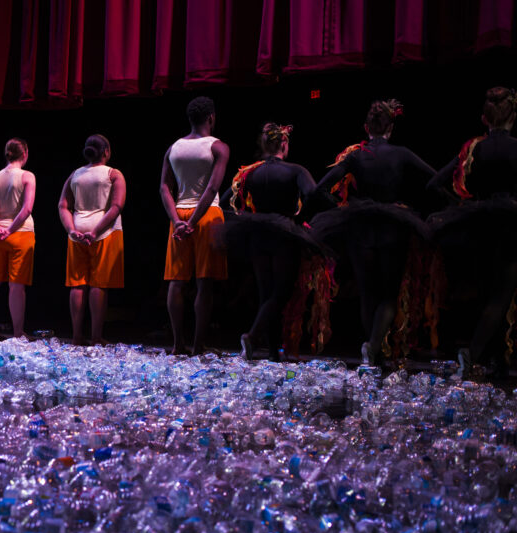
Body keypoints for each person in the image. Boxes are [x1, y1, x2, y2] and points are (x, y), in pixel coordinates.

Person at [312, 99, 436, 366]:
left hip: (362, 227)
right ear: (391, 127)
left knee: (368, 293)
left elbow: (319, 188)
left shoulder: (356, 156)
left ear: (366, 127)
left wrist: (343, 207)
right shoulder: (401, 153)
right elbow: (433, 178)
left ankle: (373, 352)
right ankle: (375, 345)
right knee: (388, 294)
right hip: (392, 227)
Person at [427, 86, 517, 375]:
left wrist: (462, 204)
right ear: (513, 116)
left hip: (478, 226)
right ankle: (474, 353)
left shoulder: (475, 148)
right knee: (501, 294)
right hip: (509, 226)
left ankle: (495, 357)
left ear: (484, 118)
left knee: (486, 293)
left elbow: (434, 184)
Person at [222, 124, 322, 361]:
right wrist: (301, 216)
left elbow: (227, 199)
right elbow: (313, 194)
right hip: (284, 234)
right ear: (284, 145)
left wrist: (244, 216)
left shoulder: (250, 172)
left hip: (258, 233)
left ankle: (273, 351)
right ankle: (253, 336)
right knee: (282, 291)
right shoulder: (296, 170)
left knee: (267, 292)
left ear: (265, 145)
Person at [160, 96, 230, 355]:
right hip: (207, 214)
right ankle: (198, 344)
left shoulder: (173, 148)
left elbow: (164, 187)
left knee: (176, 282)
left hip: (179, 214)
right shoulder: (219, 147)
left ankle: (178, 343)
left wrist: (177, 220)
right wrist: (192, 221)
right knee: (204, 282)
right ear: (211, 117)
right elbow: (212, 188)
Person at [58, 134, 126, 345]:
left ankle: (77, 336)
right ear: (106, 152)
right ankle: (96, 335)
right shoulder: (113, 174)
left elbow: (63, 205)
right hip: (103, 231)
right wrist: (95, 231)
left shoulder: (75, 174)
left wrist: (71, 230)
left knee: (78, 285)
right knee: (98, 285)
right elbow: (116, 207)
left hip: (78, 230)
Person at [0, 138, 36, 339]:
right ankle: (18, 331)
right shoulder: (27, 176)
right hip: (20, 234)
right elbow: (27, 208)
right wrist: (11, 229)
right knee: (16, 285)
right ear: (25, 153)